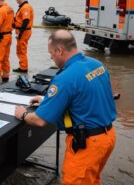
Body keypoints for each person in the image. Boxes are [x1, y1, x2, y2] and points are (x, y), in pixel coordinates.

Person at [15, 30, 116, 185]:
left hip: (87, 144)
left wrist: (22, 115)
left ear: (59, 51)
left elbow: (40, 120)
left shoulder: (64, 78)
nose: (51, 57)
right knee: (92, 179)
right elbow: (88, 96)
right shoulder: (97, 65)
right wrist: (47, 100)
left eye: (51, 53)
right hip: (108, 137)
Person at [13, 0, 34, 73]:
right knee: (19, 50)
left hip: (24, 32)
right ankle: (22, 66)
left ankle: (24, 68)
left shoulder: (25, 7)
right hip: (22, 31)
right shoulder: (22, 7)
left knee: (22, 50)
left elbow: (26, 20)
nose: (16, 1)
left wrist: (20, 33)